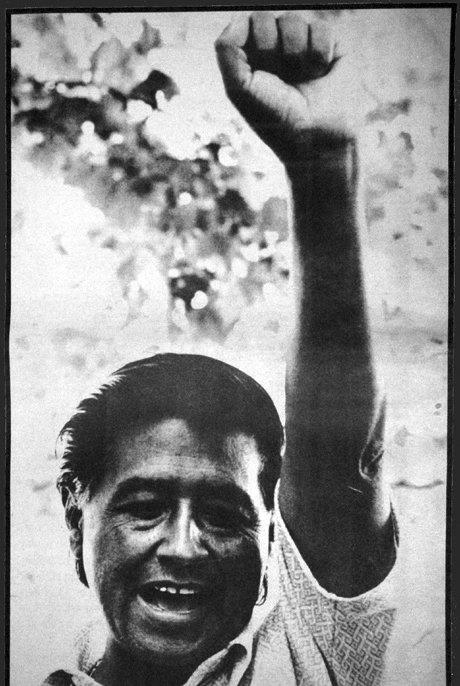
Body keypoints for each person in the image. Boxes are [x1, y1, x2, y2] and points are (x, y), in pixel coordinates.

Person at [43, 11, 399, 686]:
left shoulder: (307, 658)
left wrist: (322, 169)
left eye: (224, 514)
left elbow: (340, 462)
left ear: (271, 542)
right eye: (144, 506)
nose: (183, 548)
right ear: (74, 521)